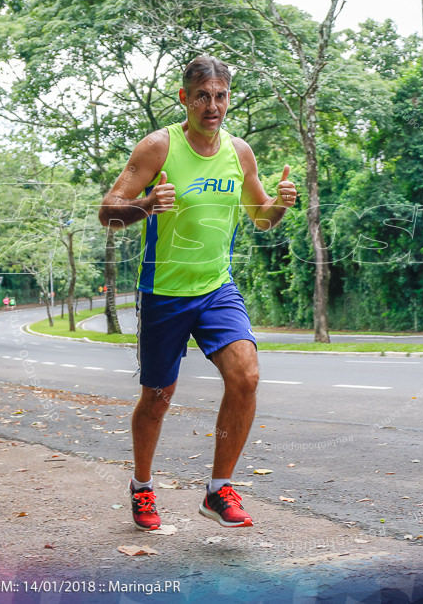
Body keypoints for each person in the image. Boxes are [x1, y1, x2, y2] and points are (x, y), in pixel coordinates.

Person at [99, 56, 297, 531]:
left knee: (246, 377)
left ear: (230, 98)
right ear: (185, 99)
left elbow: (260, 218)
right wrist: (145, 205)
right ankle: (142, 487)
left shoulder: (240, 153)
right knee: (158, 397)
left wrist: (280, 205)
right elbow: (108, 211)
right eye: (203, 96)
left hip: (216, 288)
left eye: (221, 95)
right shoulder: (158, 147)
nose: (213, 105)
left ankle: (218, 489)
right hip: (164, 292)